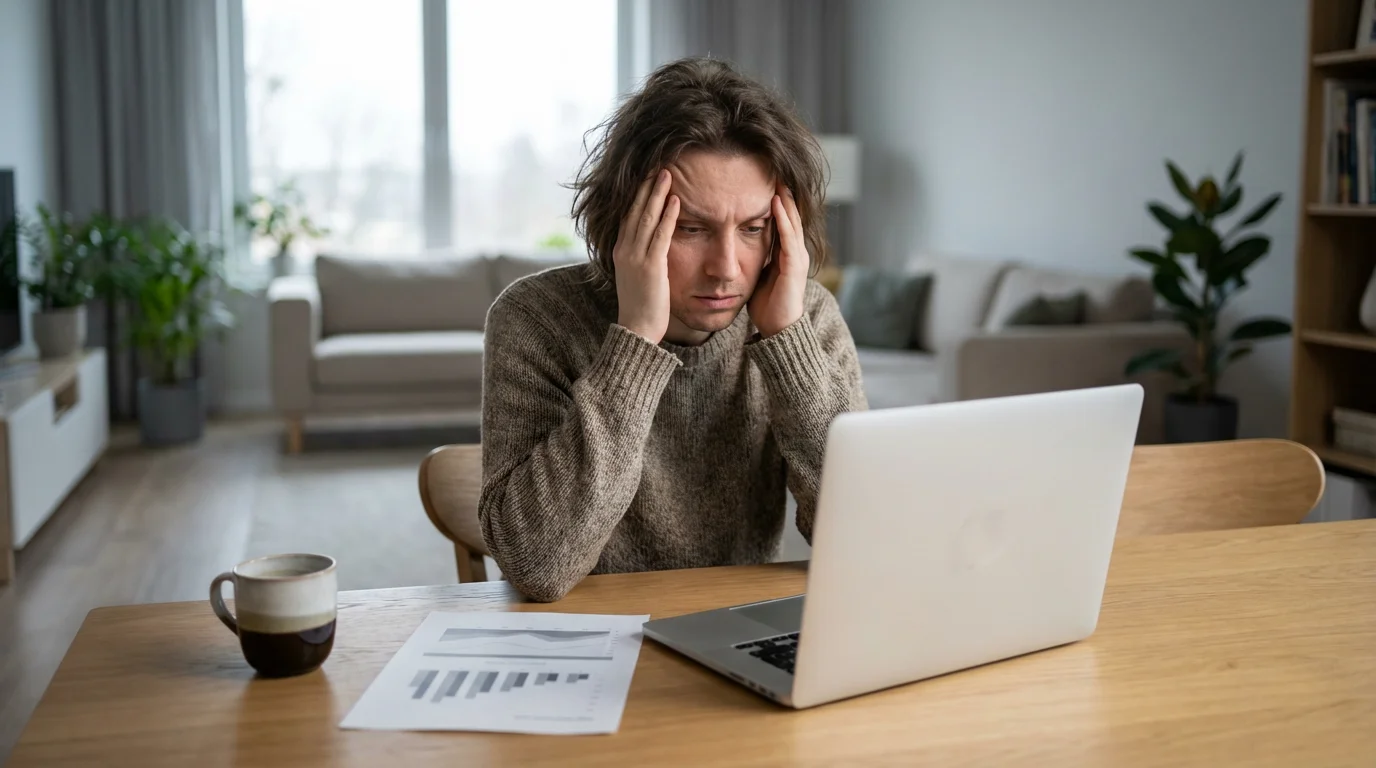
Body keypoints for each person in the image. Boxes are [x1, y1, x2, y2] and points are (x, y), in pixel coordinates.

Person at [478, 57, 867, 602]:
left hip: (733, 624)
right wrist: (635, 342)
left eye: (753, 228)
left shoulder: (806, 317)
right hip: (586, 633)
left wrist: (788, 341)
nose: (726, 268)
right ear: (623, 222)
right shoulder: (536, 319)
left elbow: (867, 539)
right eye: (690, 229)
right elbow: (537, 566)